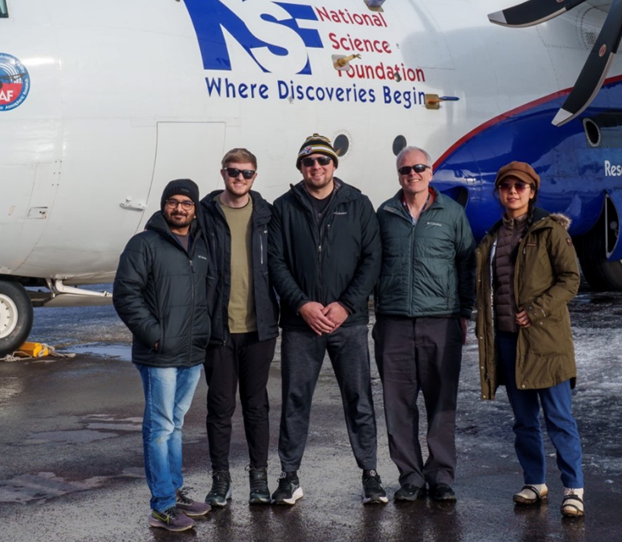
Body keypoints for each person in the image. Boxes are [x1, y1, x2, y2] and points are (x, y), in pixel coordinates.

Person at [267, 133, 385, 506]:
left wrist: (346, 305)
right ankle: (289, 477)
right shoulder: (284, 207)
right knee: (295, 399)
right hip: (302, 324)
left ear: (334, 165)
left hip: (346, 324)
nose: (316, 167)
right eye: (308, 162)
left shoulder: (358, 204)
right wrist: (302, 304)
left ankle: (370, 474)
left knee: (359, 398)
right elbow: (276, 262)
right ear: (300, 167)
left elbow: (372, 259)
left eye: (323, 161)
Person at [475, 161, 586, 518]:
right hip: (509, 342)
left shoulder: (549, 230)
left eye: (520, 187)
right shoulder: (492, 237)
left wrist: (536, 310)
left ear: (532, 192)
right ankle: (534, 482)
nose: (512, 192)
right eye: (506, 186)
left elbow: (571, 279)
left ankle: (573, 489)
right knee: (523, 421)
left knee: (558, 418)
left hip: (545, 341)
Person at [374, 147, 476, 503]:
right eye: (405, 169)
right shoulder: (385, 214)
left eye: (419, 168)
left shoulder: (452, 213)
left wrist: (464, 312)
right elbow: (371, 263)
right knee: (397, 405)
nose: (412, 174)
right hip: (394, 321)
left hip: (441, 321)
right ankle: (411, 476)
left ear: (431, 172)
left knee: (441, 402)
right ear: (399, 174)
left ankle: (441, 475)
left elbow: (466, 263)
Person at [113, 179, 213, 532]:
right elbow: (126, 294)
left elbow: (208, 294)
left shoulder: (201, 246)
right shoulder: (144, 244)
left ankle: (174, 491)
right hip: (159, 355)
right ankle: (162, 506)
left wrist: (206, 333)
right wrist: (155, 337)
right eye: (173, 202)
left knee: (177, 424)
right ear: (163, 205)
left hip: (192, 351)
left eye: (186, 203)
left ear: (195, 208)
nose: (179, 208)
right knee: (160, 427)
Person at [197, 148, 280, 506]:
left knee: (256, 405)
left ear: (255, 177)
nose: (239, 178)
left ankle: (258, 478)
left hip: (259, 327)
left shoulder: (267, 215)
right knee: (219, 407)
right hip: (218, 328)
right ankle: (221, 480)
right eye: (233, 172)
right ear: (222, 173)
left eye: (246, 173)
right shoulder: (204, 214)